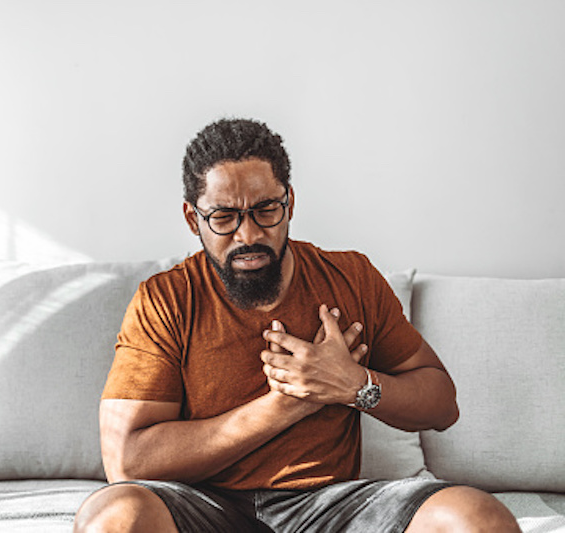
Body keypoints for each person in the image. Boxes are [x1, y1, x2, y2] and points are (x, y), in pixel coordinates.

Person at [74, 118, 520, 532]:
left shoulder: (351, 277)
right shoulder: (166, 299)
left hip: (329, 504)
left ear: (290, 202)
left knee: (477, 518)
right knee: (113, 517)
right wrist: (286, 404)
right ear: (194, 219)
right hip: (201, 503)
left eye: (265, 209)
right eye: (223, 217)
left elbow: (442, 405)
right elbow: (127, 461)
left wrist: (354, 385)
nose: (247, 235)